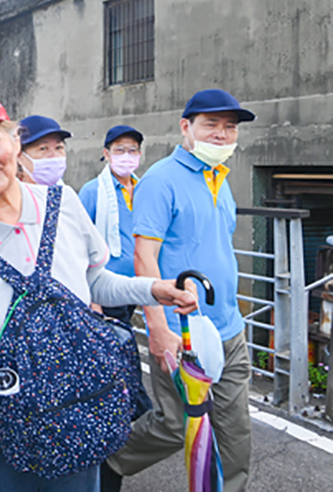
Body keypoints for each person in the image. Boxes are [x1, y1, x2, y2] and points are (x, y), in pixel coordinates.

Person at [0, 88, 197, 492]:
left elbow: (94, 281)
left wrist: (153, 289)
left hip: (76, 408)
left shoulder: (63, 204)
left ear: (15, 141)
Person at [104, 89, 256, 492]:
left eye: (230, 127)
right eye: (211, 125)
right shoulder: (160, 181)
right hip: (182, 331)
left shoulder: (221, 179)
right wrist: (158, 328)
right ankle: (107, 463)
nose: (222, 135)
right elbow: (144, 257)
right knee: (173, 427)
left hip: (228, 328)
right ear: (186, 127)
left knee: (236, 433)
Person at [78, 125, 144, 323]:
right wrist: (93, 299)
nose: (127, 155)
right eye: (120, 150)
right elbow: (79, 243)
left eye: (132, 150)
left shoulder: (145, 190)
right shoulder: (92, 191)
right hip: (106, 287)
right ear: (106, 153)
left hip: (136, 283)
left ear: (139, 154)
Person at [17, 115, 71, 186]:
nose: (54, 156)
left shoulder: (67, 194)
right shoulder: (9, 194)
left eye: (58, 147)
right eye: (43, 148)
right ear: (20, 156)